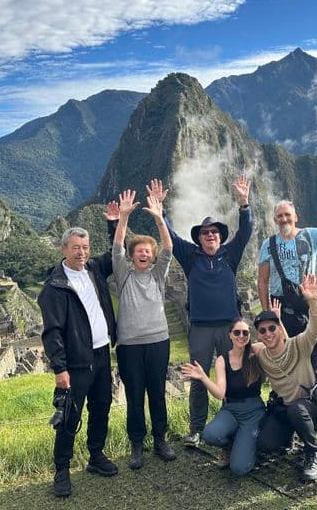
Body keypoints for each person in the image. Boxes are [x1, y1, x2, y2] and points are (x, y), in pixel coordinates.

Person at [148, 175, 253, 447]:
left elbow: (246, 232)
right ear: (200, 237)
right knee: (198, 377)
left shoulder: (230, 255)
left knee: (232, 375)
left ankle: (230, 425)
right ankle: (196, 429)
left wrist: (244, 204)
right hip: (201, 328)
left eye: (214, 232)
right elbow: (169, 235)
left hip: (229, 328)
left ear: (220, 237)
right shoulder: (190, 256)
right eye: (206, 233)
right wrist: (162, 211)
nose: (210, 235)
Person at [39, 207, 120, 498]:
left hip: (101, 355)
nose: (81, 253)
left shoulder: (94, 270)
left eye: (85, 247)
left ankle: (95, 455)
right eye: (76, 248)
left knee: (101, 408)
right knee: (70, 416)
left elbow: (116, 254)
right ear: (64, 249)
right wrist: (60, 369)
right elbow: (52, 333)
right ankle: (61, 469)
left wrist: (114, 223)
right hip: (75, 362)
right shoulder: (55, 287)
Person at [112, 190, 176, 469]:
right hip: (129, 345)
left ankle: (161, 439)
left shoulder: (158, 276)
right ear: (132, 255)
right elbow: (116, 249)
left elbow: (169, 250)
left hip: (158, 342)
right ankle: (137, 445)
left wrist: (160, 219)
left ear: (152, 257)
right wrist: (123, 218)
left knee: (157, 394)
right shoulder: (123, 275)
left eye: (147, 252)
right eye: (139, 251)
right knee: (134, 395)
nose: (143, 254)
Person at [257, 176, 317, 372]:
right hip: (281, 305)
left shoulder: (311, 235)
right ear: (274, 220)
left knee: (314, 352)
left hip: (309, 301)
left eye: (287, 215)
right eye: (279, 216)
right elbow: (262, 281)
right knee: (285, 354)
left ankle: (312, 395)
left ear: (296, 217)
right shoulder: (268, 245)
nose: (284, 219)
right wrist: (267, 313)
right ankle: (288, 398)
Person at [253, 275, 317, 482]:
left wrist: (312, 300)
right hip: (284, 409)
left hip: (309, 407)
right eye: (263, 330)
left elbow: (316, 328)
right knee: (266, 444)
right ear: (258, 335)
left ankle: (312, 453)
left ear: (279, 329)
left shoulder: (299, 345)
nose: (268, 333)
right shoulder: (262, 355)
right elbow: (242, 350)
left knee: (297, 409)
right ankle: (288, 437)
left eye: (272, 328)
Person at [180, 318, 265, 476]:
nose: (241, 336)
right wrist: (204, 377)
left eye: (245, 332)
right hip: (231, 410)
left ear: (249, 335)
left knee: (239, 468)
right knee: (209, 435)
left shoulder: (256, 351)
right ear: (230, 335)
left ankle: (249, 445)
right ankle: (234, 444)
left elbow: (282, 343)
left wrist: (278, 320)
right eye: (237, 332)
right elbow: (220, 393)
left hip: (253, 412)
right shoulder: (222, 360)